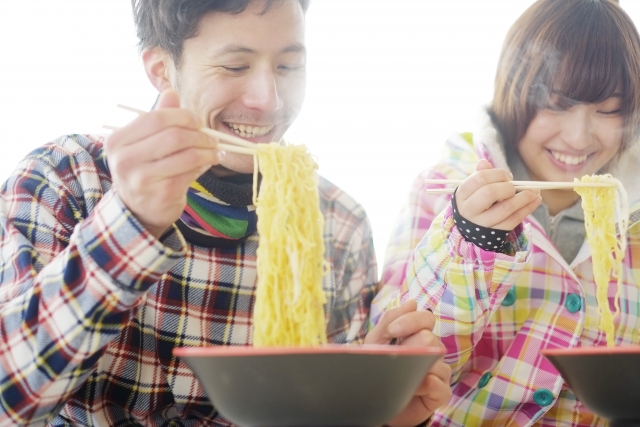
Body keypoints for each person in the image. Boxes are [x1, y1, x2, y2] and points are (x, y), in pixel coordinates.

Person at [0, 0, 451, 425]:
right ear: (162, 70)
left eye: (289, 66)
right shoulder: (65, 180)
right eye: (235, 66)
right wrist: (132, 222)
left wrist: (368, 405)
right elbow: (10, 397)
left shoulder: (335, 222)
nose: (268, 99)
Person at [371, 0, 640, 425]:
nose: (578, 137)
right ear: (513, 90)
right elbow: (401, 361)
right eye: (556, 104)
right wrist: (471, 241)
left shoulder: (630, 213)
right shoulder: (440, 190)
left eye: (609, 111)